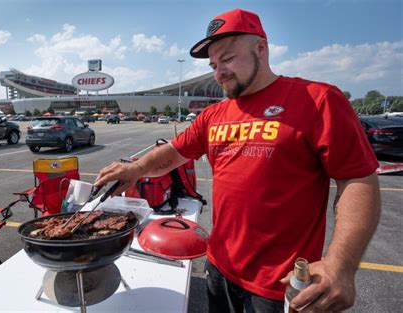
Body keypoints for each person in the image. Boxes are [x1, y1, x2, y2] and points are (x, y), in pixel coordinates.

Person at [95, 8, 381, 313]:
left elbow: (357, 179)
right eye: (214, 64)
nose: (219, 72)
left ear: (261, 48)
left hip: (280, 284)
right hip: (220, 267)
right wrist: (136, 169)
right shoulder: (214, 115)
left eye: (228, 59)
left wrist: (341, 263)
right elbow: (176, 151)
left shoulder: (318, 100)